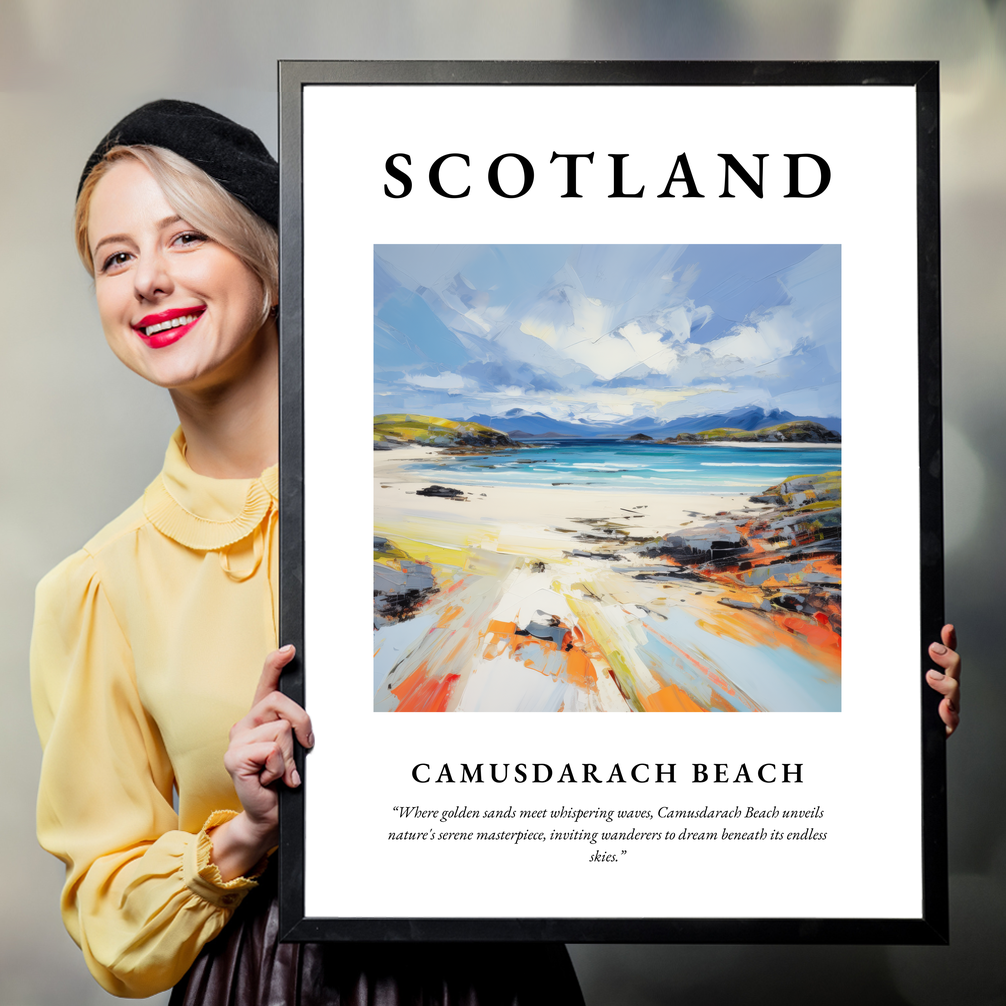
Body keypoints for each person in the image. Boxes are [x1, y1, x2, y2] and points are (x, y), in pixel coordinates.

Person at [30, 100, 586, 1004]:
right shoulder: (97, 587)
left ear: (273, 263)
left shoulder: (449, 506)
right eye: (116, 257)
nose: (148, 281)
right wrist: (245, 832)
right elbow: (110, 923)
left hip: (493, 973)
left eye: (185, 239)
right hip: (262, 982)